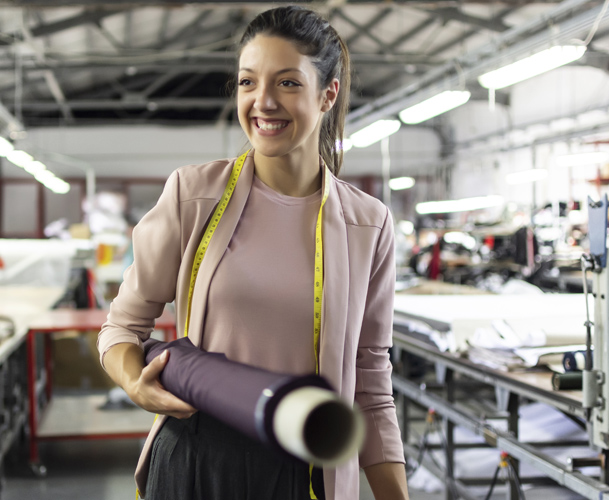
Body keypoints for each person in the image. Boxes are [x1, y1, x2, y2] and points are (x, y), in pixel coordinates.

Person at [98, 6, 408, 500]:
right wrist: (136, 384)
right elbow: (123, 327)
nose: (262, 102)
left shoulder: (367, 224)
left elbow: (369, 380)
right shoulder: (193, 196)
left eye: (287, 83)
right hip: (198, 462)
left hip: (307, 472)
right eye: (247, 82)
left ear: (327, 94)